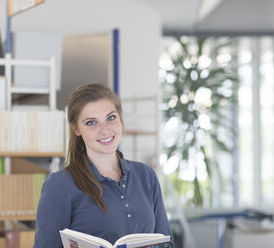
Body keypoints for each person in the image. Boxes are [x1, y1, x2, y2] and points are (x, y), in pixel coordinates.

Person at [34, 83, 174, 248]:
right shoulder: (59, 185)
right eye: (91, 123)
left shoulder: (146, 176)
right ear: (76, 129)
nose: (105, 129)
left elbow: (167, 242)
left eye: (111, 117)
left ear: (120, 118)